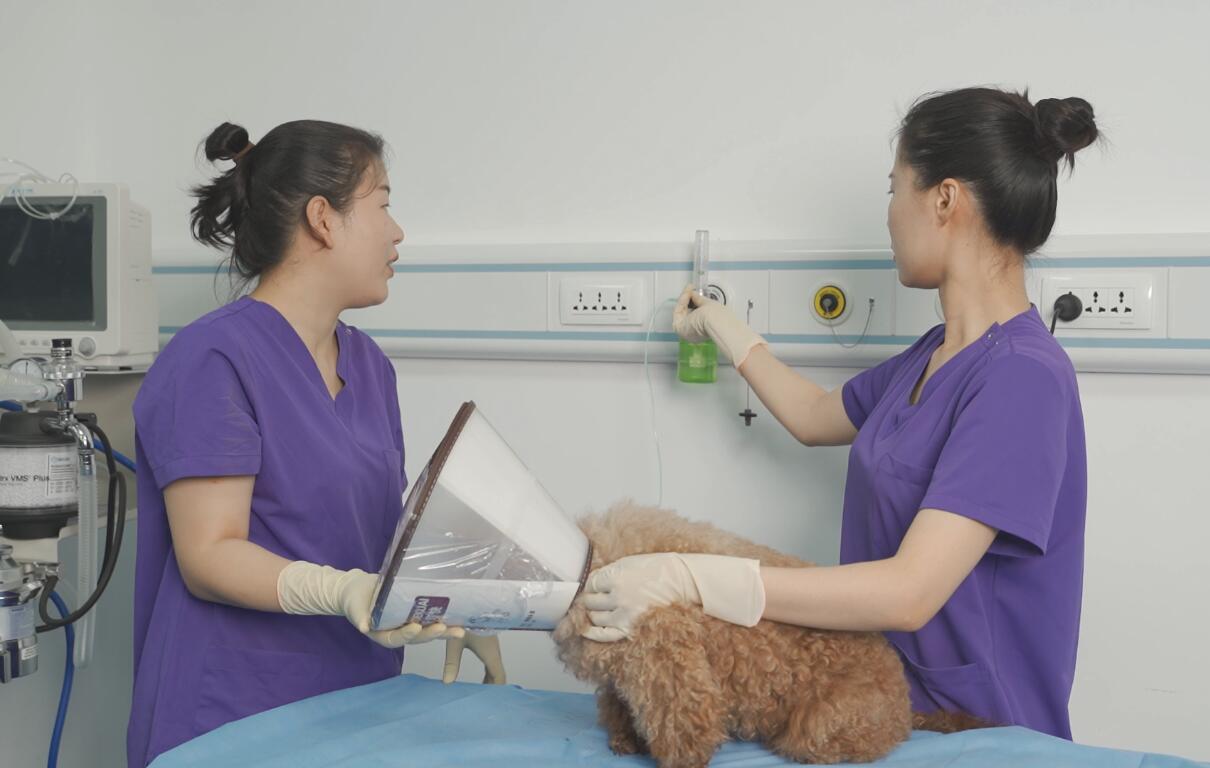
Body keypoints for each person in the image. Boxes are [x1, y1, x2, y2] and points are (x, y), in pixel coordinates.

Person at [582, 87, 1098, 739]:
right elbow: (814, 416)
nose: (889, 215)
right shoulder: (934, 355)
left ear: (944, 199)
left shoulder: (1022, 377)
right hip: (881, 716)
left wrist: (692, 578)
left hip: (979, 733)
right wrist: (724, 327)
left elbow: (909, 593)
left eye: (894, 188)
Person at [127, 120, 502, 767]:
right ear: (323, 219)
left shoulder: (369, 365)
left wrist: (459, 603)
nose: (397, 231)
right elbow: (209, 555)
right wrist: (342, 592)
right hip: (232, 715)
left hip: (359, 704)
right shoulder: (213, 359)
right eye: (383, 205)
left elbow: (369, 531)